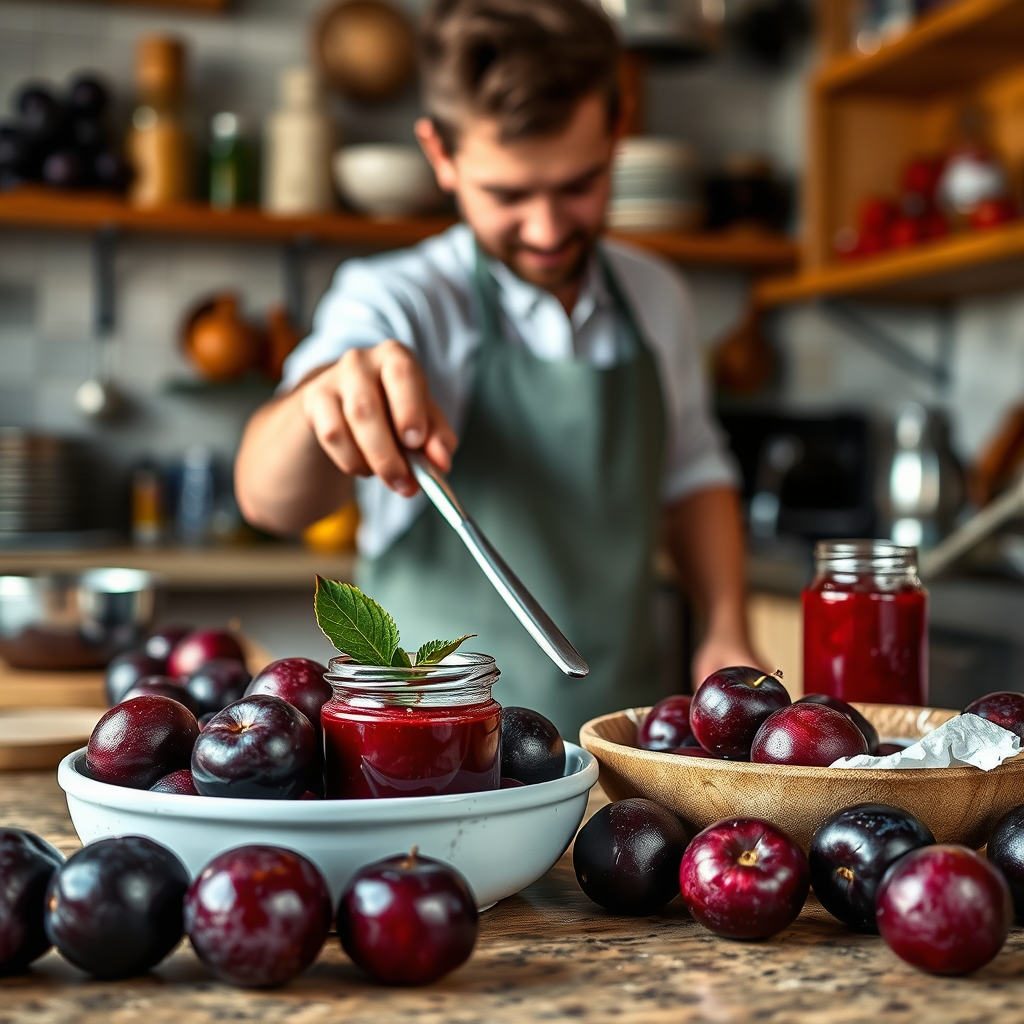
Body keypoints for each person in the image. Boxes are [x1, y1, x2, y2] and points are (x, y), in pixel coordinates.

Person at [235, 0, 757, 737]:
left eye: (578, 184)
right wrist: (325, 395)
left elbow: (693, 469)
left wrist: (726, 626)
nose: (546, 229)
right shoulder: (395, 298)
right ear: (440, 155)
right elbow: (268, 499)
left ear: (618, 127)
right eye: (507, 195)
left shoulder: (656, 293)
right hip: (432, 757)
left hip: (622, 747)